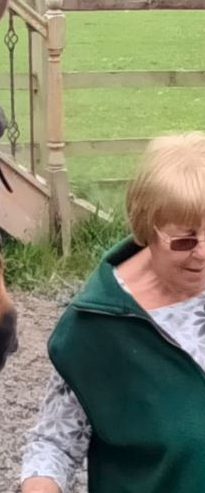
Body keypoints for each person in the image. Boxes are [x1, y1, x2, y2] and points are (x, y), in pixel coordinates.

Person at [21, 131, 205, 493]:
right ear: (145, 229)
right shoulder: (94, 328)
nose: (202, 252)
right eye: (184, 240)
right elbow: (53, 445)